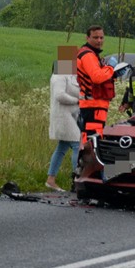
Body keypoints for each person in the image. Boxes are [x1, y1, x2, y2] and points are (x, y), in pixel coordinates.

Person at [46, 46, 81, 191]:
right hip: (63, 116)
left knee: (62, 147)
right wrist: (78, 101)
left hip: (71, 115)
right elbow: (59, 95)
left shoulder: (70, 74)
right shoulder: (60, 75)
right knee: (77, 145)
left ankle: (51, 179)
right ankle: (77, 180)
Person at [77, 25, 117, 144]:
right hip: (92, 105)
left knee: (89, 140)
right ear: (87, 38)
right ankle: (88, 162)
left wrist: (112, 74)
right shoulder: (88, 55)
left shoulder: (91, 54)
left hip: (93, 105)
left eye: (101, 37)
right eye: (95, 37)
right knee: (92, 141)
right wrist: (111, 68)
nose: (99, 40)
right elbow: (97, 77)